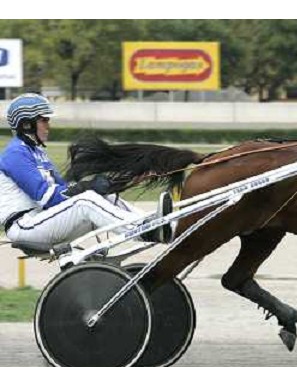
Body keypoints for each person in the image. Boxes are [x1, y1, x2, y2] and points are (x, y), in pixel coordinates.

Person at [0, 93, 171, 252]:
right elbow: (48, 198)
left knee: (104, 198)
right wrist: (87, 187)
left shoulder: (37, 153)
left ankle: (156, 223)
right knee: (85, 201)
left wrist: (107, 185)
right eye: (44, 120)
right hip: (25, 226)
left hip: (44, 220)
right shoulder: (15, 154)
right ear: (26, 124)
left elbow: (64, 189)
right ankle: (144, 230)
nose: (48, 125)